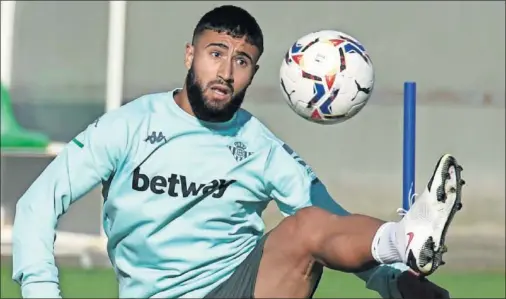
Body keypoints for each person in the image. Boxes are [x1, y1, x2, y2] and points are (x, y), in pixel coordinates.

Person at [12, 5, 464, 299]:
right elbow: (37, 204)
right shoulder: (128, 125)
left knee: (305, 226)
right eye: (216, 53)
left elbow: (331, 227)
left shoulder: (263, 149)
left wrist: (397, 281)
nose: (226, 72)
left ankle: (404, 237)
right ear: (190, 55)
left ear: (255, 72)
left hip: (239, 288)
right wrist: (40, 289)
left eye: (242, 61)